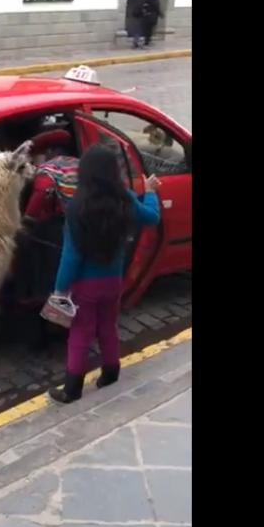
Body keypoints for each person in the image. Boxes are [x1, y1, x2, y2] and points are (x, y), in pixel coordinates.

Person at [47, 144, 161, 404]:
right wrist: (151, 192)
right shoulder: (126, 199)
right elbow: (152, 217)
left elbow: (71, 256)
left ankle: (72, 387)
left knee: (80, 332)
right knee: (108, 326)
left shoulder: (77, 207)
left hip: (84, 286)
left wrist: (59, 290)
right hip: (113, 280)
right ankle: (111, 371)